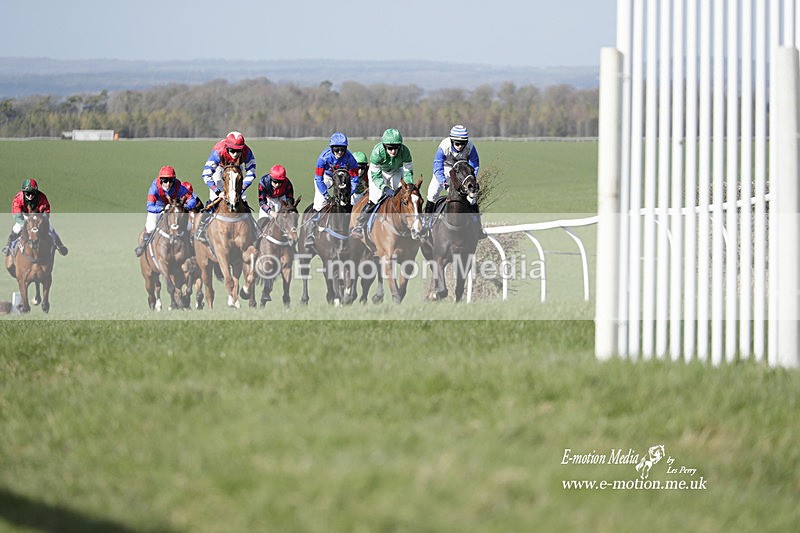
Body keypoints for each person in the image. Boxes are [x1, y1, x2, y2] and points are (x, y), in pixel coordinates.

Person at [351, 128, 414, 239]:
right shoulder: (377, 152)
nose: (393, 151)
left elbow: (408, 172)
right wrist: (384, 188)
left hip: (396, 171)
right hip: (380, 173)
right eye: (390, 148)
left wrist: (408, 186)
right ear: (384, 146)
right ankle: (359, 225)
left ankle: (413, 223)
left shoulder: (405, 152)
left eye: (396, 148)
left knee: (405, 197)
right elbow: (375, 176)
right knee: (375, 198)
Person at [195, 131, 257, 243]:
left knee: (242, 199)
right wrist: (218, 192)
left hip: (237, 169)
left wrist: (241, 188)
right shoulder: (218, 152)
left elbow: (251, 173)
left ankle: (252, 228)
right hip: (220, 168)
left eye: (238, 151)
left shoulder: (247, 152)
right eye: (232, 151)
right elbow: (206, 174)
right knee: (214, 199)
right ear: (227, 148)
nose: (235, 154)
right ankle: (202, 227)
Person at [306, 132, 359, 247]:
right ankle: (310, 232)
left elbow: (355, 178)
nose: (340, 152)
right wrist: (325, 194)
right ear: (331, 148)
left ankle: (355, 228)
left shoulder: (350, 158)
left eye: (342, 149)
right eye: (336, 149)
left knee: (353, 202)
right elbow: (318, 178)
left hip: (343, 178)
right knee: (319, 203)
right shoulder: (323, 158)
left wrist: (351, 192)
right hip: (326, 177)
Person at [134, 166, 197, 257]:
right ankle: (143, 245)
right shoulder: (154, 187)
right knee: (151, 227)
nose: (168, 184)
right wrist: (162, 209)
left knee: (189, 226)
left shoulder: (178, 186)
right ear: (160, 180)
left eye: (171, 180)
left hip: (173, 208)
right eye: (165, 180)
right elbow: (149, 206)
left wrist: (186, 207)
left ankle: (191, 246)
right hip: (158, 208)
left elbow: (192, 199)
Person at [2, 178, 68, 256]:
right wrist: (24, 224)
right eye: (28, 193)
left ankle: (60, 245)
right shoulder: (18, 198)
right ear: (24, 192)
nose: (30, 196)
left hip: (38, 217)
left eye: (33, 193)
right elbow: (17, 214)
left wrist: (43, 220)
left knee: (50, 229)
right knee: (16, 228)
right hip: (25, 217)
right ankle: (8, 246)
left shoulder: (42, 197)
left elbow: (46, 210)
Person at [427, 124, 480, 213]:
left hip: (462, 171)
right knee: (432, 194)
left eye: (463, 143)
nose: (460, 146)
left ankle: (476, 219)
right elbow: (437, 167)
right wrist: (444, 184)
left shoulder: (470, 146)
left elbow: (474, 164)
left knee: (472, 197)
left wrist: (471, 178)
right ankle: (427, 219)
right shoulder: (444, 146)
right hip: (445, 169)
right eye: (457, 143)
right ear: (451, 141)